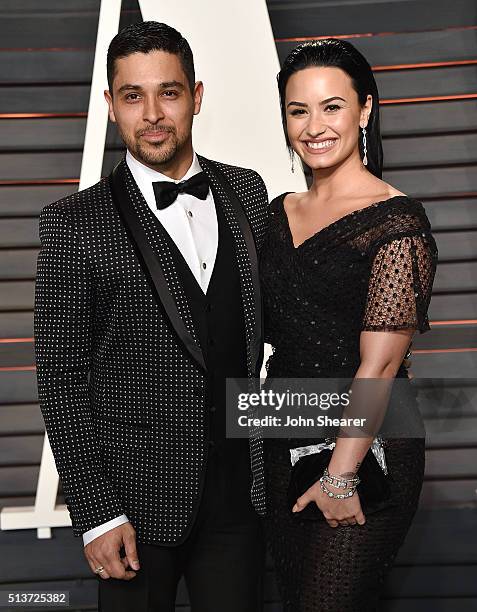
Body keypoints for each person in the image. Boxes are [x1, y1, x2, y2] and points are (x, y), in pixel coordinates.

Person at [34, 21, 268, 612]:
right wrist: (95, 512)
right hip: (132, 508)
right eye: (133, 96)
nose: (153, 113)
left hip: (241, 498)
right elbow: (60, 377)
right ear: (111, 105)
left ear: (196, 96)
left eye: (169, 92)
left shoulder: (248, 191)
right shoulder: (73, 222)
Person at [259, 39, 438, 611]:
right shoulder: (275, 212)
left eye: (332, 107)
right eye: (298, 110)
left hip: (366, 445)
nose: (314, 126)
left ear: (365, 110)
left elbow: (381, 362)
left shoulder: (396, 220)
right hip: (281, 424)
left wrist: (341, 474)